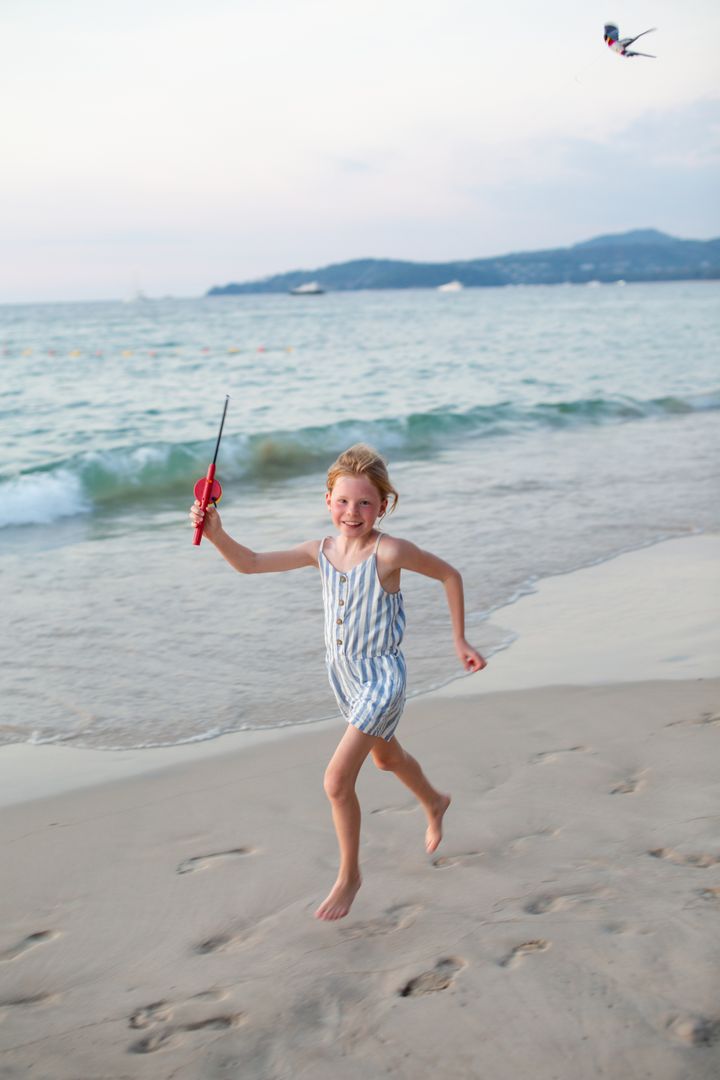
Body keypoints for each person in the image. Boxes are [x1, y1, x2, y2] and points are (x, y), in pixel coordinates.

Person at [189, 443, 486, 921]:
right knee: (387, 758)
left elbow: (449, 575)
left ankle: (350, 876)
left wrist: (460, 640)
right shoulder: (320, 551)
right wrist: (217, 533)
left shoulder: (390, 552)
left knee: (336, 781)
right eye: (343, 501)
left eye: (365, 503)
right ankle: (435, 801)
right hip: (344, 678)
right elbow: (251, 562)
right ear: (327, 500)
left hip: (382, 678)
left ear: (383, 506)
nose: (353, 512)